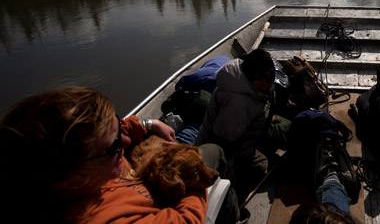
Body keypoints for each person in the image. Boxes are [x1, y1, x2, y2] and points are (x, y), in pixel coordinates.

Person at [0, 86, 237, 224]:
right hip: (176, 194)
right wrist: (189, 177)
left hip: (157, 174)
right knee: (215, 153)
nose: (124, 142)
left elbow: (122, 128)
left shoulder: (87, 164)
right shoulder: (103, 218)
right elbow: (185, 220)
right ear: (67, 178)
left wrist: (149, 123)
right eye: (113, 146)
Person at [195, 48, 286, 204]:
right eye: (260, 77)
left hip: (243, 137)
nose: (267, 81)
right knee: (262, 166)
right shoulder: (238, 103)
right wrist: (229, 177)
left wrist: (264, 119)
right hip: (224, 149)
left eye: (269, 76)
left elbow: (261, 103)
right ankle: (236, 200)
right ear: (250, 76)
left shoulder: (256, 86)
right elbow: (223, 145)